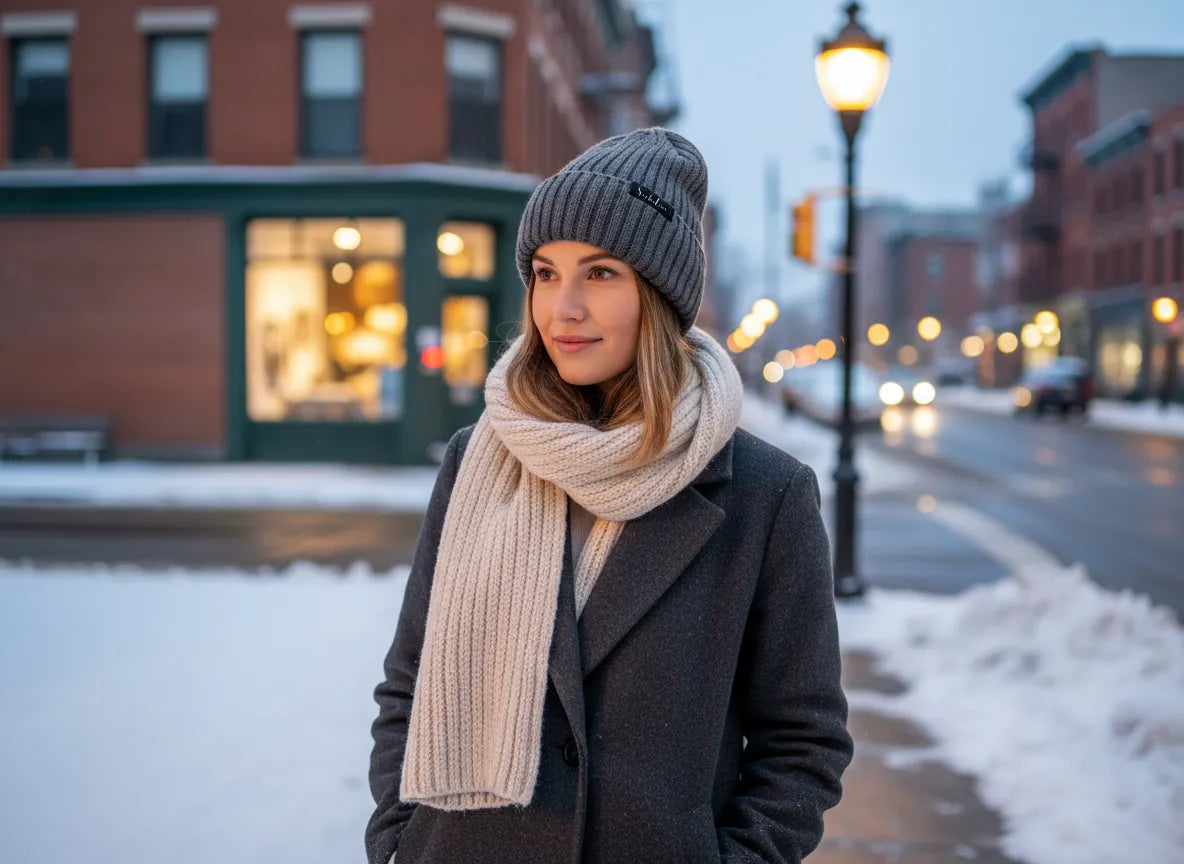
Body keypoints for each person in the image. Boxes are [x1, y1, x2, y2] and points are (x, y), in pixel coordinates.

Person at [366, 127, 853, 864]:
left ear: (657, 295)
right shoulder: (477, 460)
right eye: (544, 271)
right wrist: (400, 842)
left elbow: (803, 742)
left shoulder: (765, 496)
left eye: (599, 274)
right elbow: (408, 682)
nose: (562, 308)